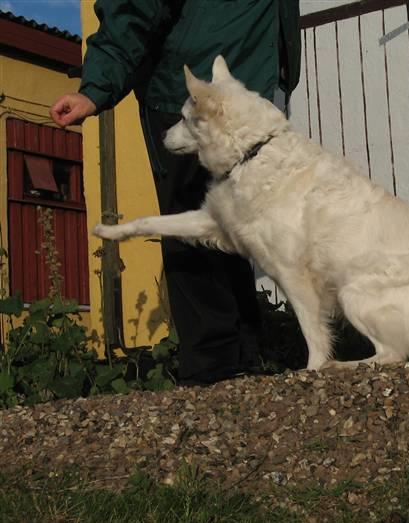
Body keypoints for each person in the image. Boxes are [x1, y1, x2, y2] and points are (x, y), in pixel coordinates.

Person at [50, 0, 301, 385]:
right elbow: (133, 6)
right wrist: (96, 87)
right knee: (194, 224)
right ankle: (211, 367)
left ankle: (245, 358)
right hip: (188, 91)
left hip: (248, 87)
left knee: (238, 227)